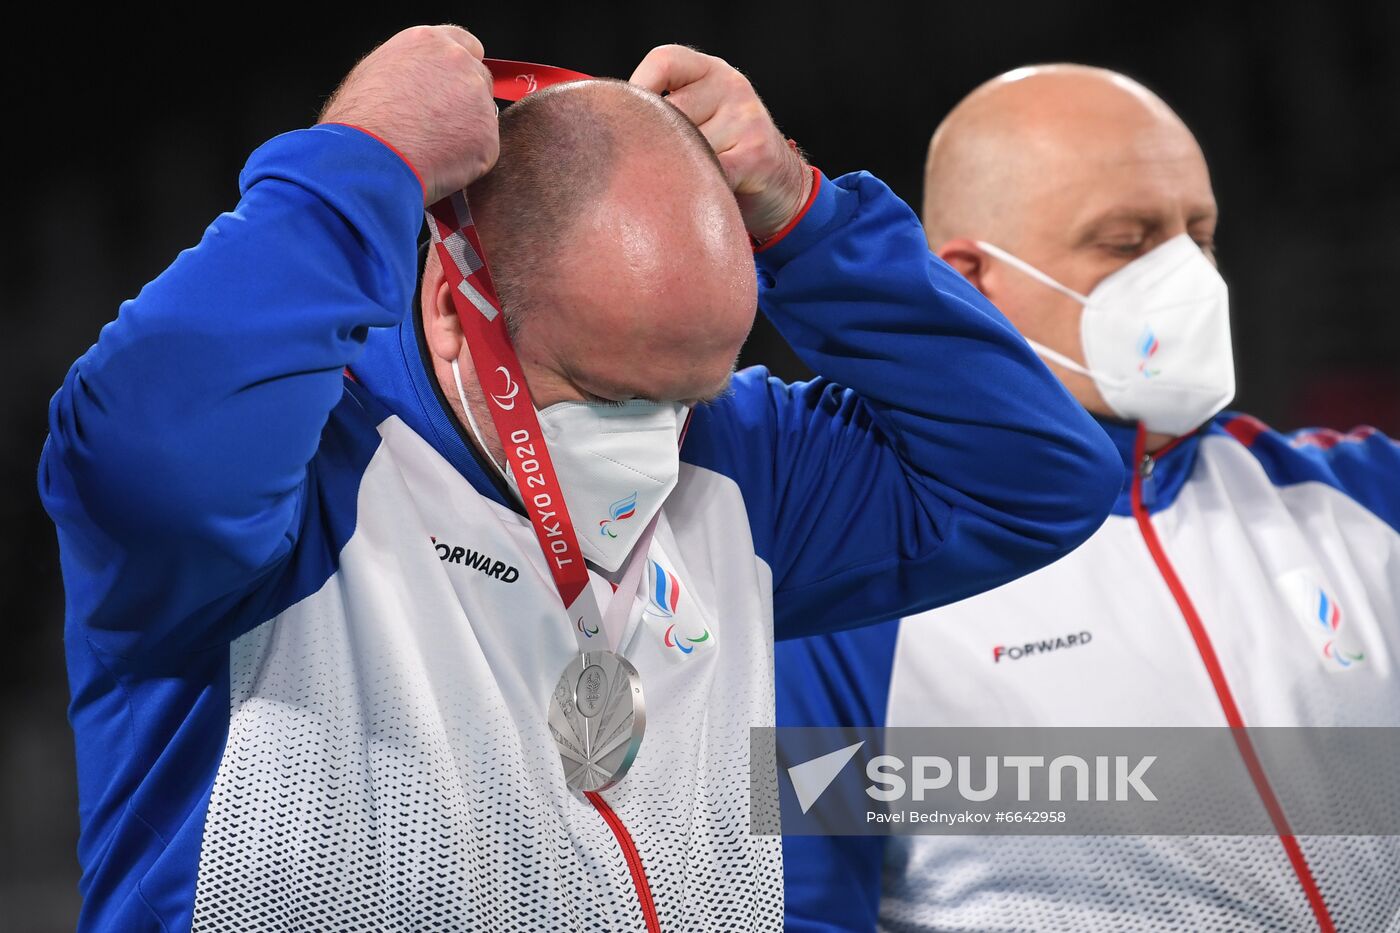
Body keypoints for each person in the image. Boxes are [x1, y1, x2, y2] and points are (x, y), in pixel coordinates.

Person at [37, 26, 1122, 930]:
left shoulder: (737, 466)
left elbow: (1037, 478)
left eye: (690, 389)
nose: (653, 444)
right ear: (454, 313)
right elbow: (139, 452)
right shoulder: (298, 474)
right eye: (603, 391)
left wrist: (804, 219)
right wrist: (355, 163)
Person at [776, 64, 1400, 933]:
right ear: (969, 280)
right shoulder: (858, 582)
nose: (1187, 276)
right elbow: (805, 914)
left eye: (1199, 234)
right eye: (1127, 241)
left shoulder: (1366, 498)